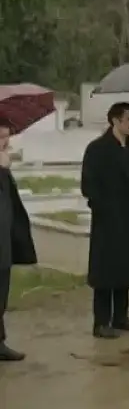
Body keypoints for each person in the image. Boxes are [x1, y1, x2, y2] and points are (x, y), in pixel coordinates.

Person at [81, 102, 129, 338]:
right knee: (106, 272)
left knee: (125, 268)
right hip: (108, 221)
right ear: (115, 120)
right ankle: (101, 322)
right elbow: (89, 185)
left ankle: (121, 316)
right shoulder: (97, 149)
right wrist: (103, 207)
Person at [0, 119, 38, 361]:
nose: (6, 142)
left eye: (7, 136)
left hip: (4, 241)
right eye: (1, 137)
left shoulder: (4, 164)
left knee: (1, 293)